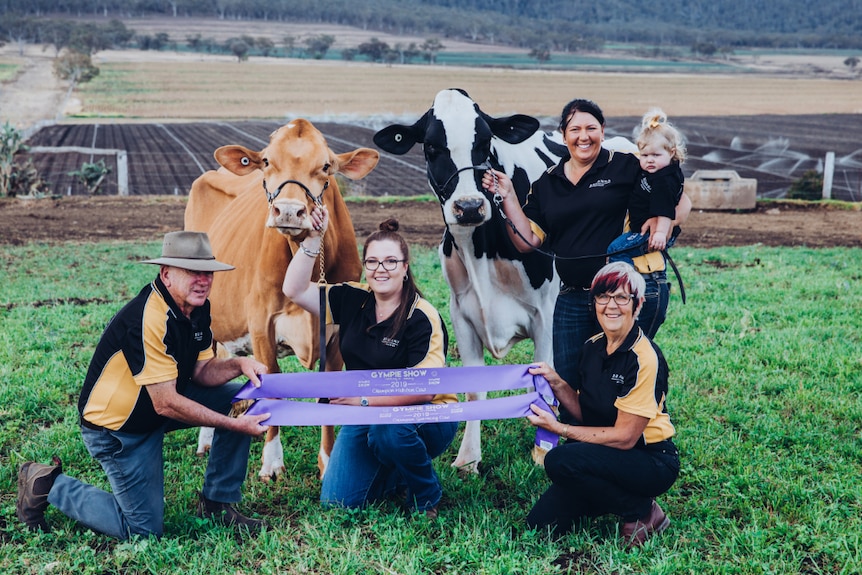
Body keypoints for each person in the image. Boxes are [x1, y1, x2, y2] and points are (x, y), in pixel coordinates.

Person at [17, 231, 271, 539]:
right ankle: (47, 484)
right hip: (119, 428)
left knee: (242, 399)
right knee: (142, 531)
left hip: (158, 404)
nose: (203, 280)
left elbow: (202, 372)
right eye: (193, 272)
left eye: (208, 273)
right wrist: (234, 426)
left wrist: (239, 364)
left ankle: (217, 503)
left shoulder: (198, 307)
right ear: (166, 274)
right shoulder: (148, 317)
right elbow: (165, 402)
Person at [481, 98, 691, 417]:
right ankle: (580, 442)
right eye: (574, 129)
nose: (583, 136)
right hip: (573, 295)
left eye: (591, 128)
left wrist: (664, 221)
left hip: (627, 291)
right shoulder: (547, 183)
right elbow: (527, 241)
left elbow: (680, 198)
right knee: (569, 377)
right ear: (563, 135)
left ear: (602, 132)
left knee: (625, 371)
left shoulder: (626, 165)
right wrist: (508, 196)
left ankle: (638, 439)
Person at [282, 213, 457, 518]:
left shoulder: (422, 316)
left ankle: (426, 494)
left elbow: (425, 391)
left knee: (386, 433)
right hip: (367, 412)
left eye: (390, 262)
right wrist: (313, 238)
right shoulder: (353, 297)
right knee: (337, 502)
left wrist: (360, 400)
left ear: (405, 267)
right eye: (373, 262)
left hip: (426, 416)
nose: (381, 270)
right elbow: (294, 290)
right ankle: (398, 471)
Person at [524, 262, 679, 547]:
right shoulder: (593, 346)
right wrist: (556, 381)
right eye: (603, 296)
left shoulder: (644, 357)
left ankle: (643, 511)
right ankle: (608, 497)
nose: (611, 306)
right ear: (594, 301)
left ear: (638, 303)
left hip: (649, 459)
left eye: (622, 297)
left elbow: (624, 437)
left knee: (560, 460)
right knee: (539, 526)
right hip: (606, 453)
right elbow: (587, 411)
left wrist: (558, 428)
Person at [607, 109, 686, 327]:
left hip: (649, 232)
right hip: (645, 230)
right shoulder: (655, 172)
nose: (649, 160)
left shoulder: (663, 179)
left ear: (671, 153)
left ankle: (624, 284)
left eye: (656, 155)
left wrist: (660, 233)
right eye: (645, 155)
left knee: (616, 250)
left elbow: (665, 209)